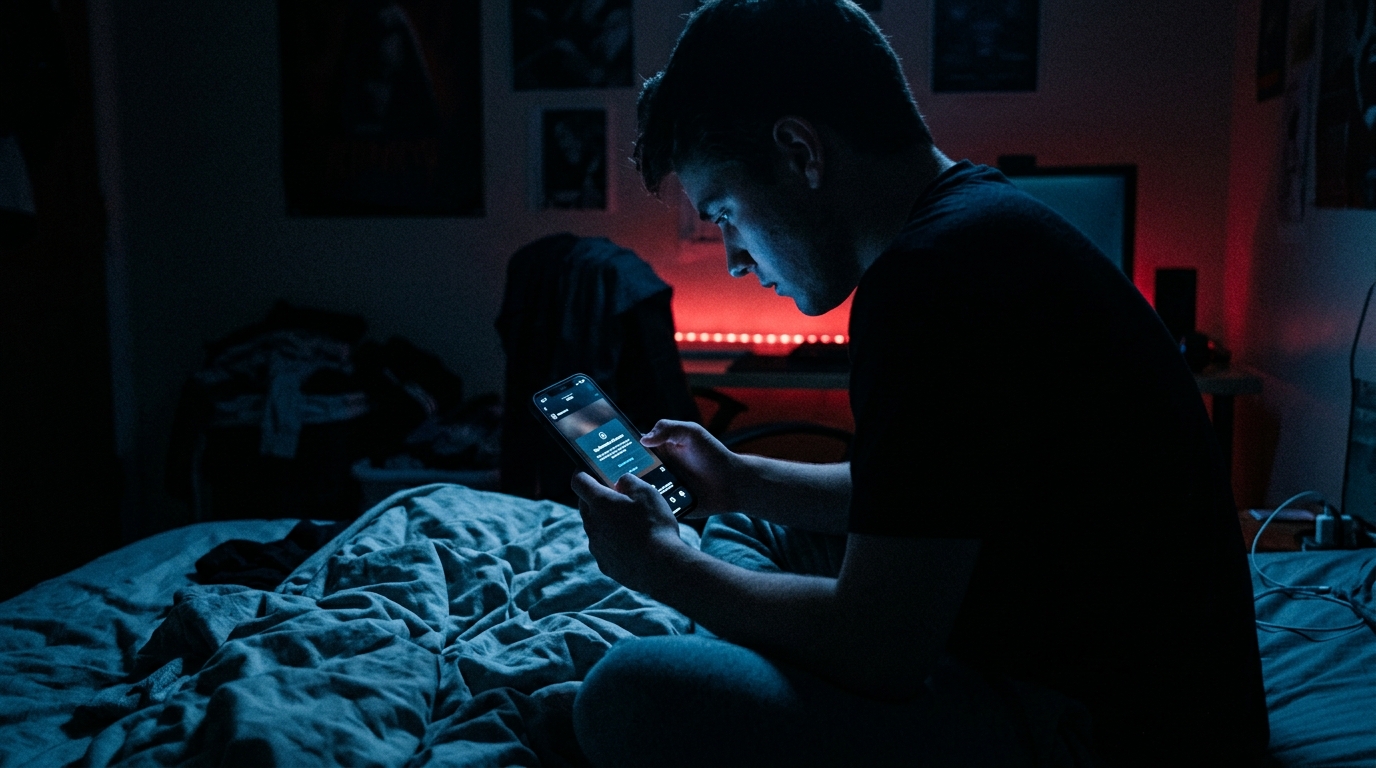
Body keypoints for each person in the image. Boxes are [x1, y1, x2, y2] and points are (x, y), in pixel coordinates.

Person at [568, 1, 1270, 765]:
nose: (733, 256)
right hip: (1086, 659)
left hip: (1091, 726)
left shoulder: (930, 283)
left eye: (726, 213)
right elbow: (929, 492)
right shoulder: (977, 221)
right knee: (750, 525)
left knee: (627, 694)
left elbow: (880, 648)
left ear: (801, 152)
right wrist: (734, 479)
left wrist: (662, 567)